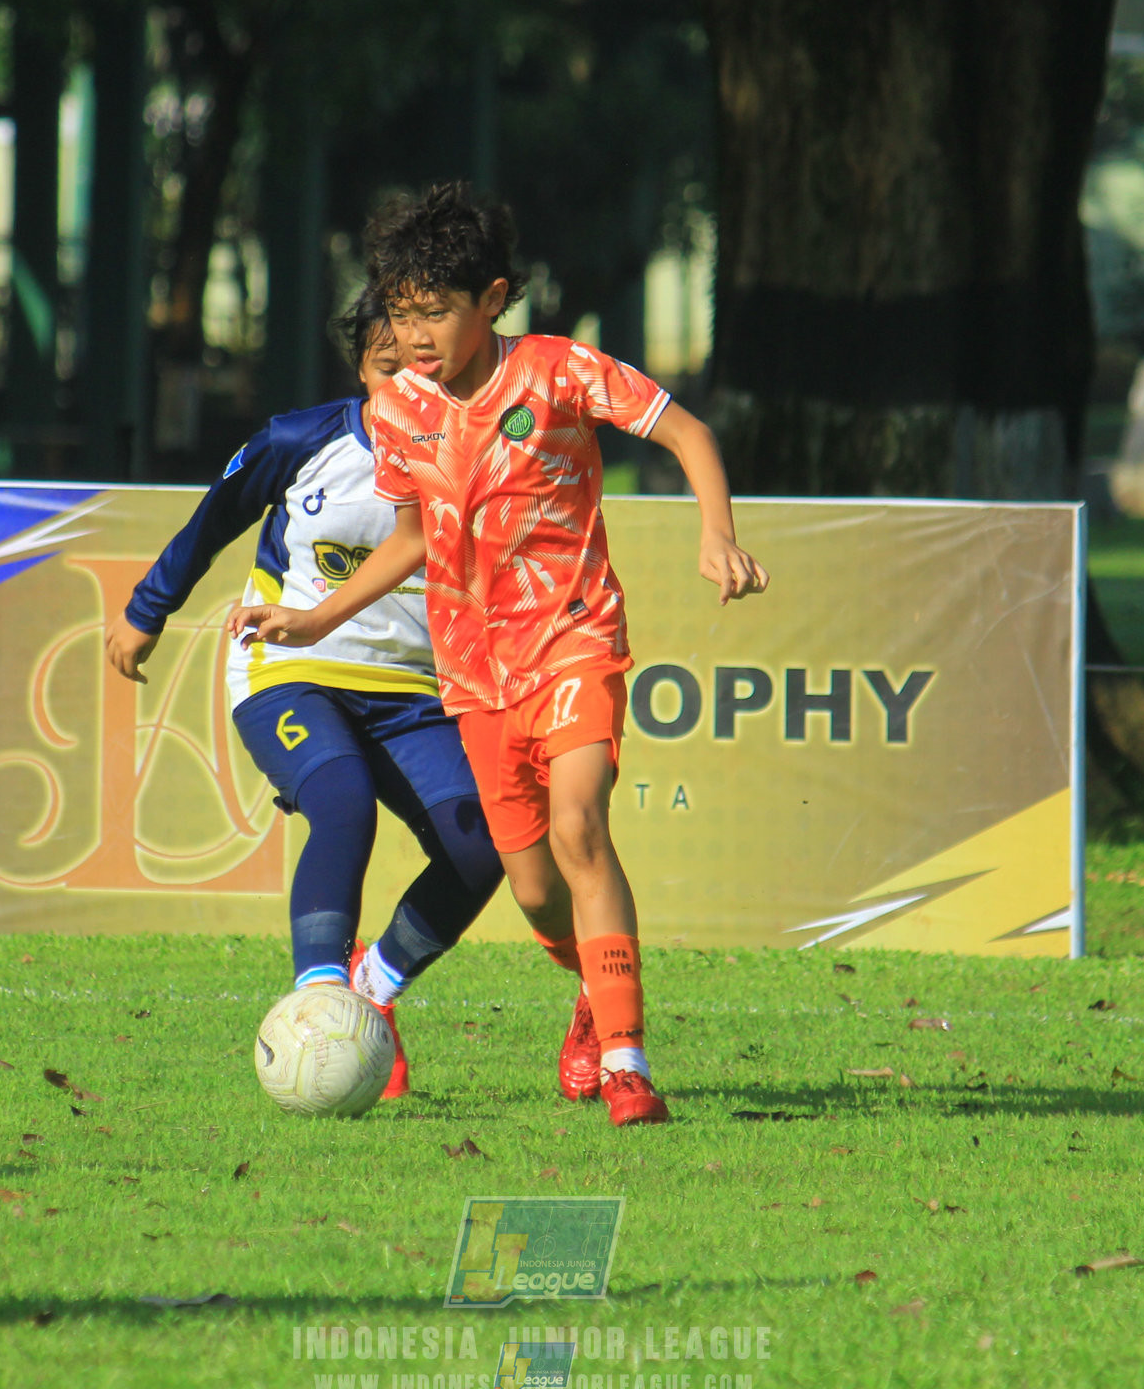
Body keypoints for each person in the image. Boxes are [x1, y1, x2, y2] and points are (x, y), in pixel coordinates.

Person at [228, 184, 769, 1127]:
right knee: (531, 887)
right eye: (401, 313)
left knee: (580, 826)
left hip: (574, 639)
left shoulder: (559, 371)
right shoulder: (401, 409)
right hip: (475, 675)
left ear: (492, 298)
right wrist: (317, 621)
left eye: (434, 312)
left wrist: (714, 533)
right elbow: (411, 538)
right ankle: (592, 990)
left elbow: (687, 431)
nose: (416, 334)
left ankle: (628, 1066)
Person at [104, 293, 503, 1100]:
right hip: (289, 668)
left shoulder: (475, 453)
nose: (405, 385)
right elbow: (213, 517)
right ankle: (319, 1002)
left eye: (424, 367)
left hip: (410, 691)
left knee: (482, 849)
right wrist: (148, 609)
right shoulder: (298, 439)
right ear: (359, 370)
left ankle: (370, 991)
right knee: (343, 801)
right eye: (386, 368)